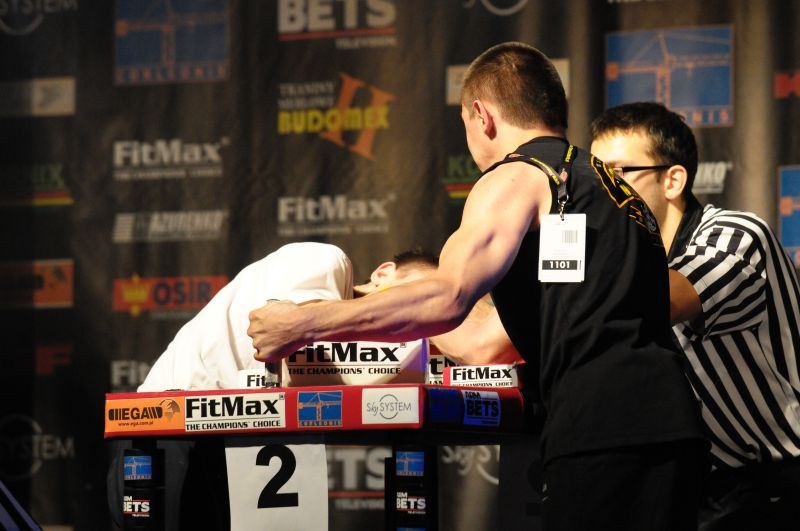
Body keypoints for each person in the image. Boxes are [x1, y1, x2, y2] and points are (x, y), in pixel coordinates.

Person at [248, 42, 706, 531]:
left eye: (465, 123)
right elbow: (488, 341)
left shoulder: (516, 175)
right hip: (674, 427)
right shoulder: (611, 189)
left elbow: (447, 297)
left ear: (482, 116)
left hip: (601, 432)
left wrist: (305, 323)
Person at [590, 101, 800, 530]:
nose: (599, 192)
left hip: (788, 480)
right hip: (716, 489)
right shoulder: (621, 264)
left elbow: (663, 298)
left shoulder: (736, 235)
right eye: (592, 178)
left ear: (673, 180)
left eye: (615, 175)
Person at [138, 241, 518, 391]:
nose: (423, 310)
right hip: (169, 428)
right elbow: (295, 363)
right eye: (421, 292)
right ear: (384, 272)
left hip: (236, 444)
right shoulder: (324, 261)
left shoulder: (402, 352)